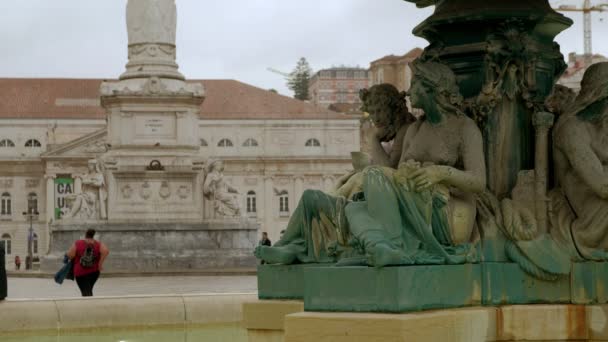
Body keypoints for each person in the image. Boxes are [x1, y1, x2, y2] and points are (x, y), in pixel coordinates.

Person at [67, 229, 109, 297]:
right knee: (88, 290)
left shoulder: (78, 243)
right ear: (93, 235)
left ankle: (89, 305)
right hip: (94, 272)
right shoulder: (97, 244)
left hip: (81, 272)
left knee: (86, 292)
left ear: (85, 235)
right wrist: (100, 264)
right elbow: (106, 251)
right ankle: (89, 304)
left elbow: (70, 255)